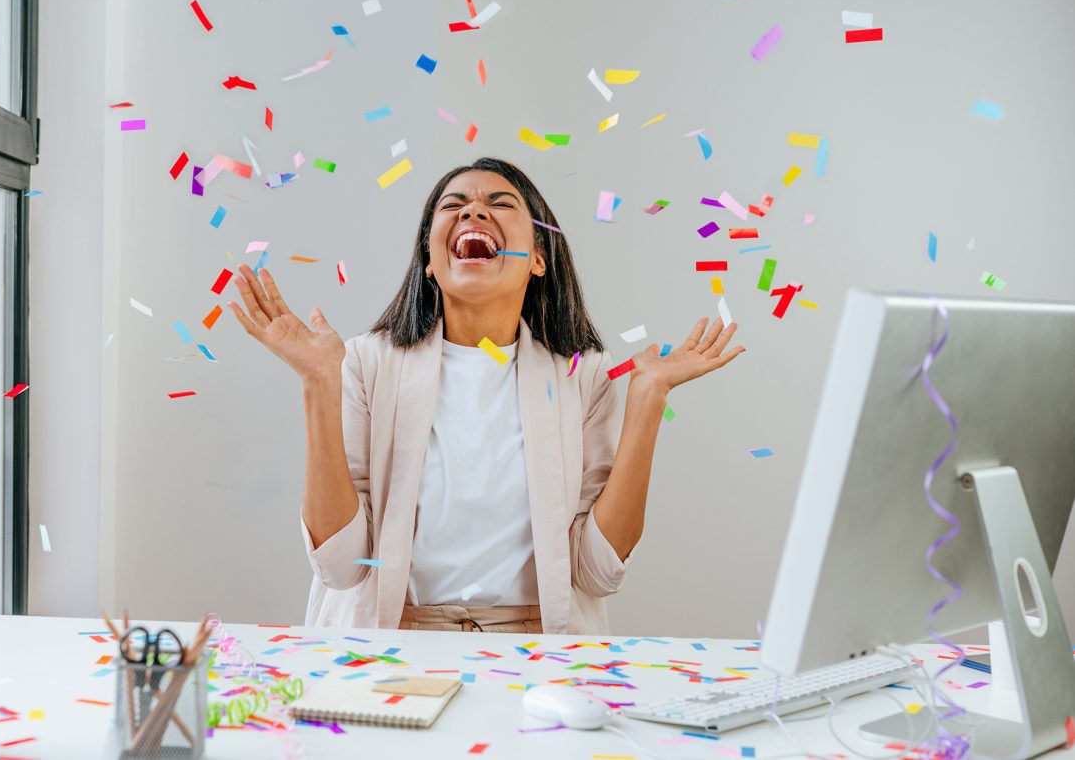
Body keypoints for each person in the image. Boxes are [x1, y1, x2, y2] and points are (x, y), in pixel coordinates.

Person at [230, 157, 744, 634]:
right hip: (393, 642)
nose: (473, 210)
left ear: (538, 259)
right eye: (453, 204)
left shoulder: (584, 374)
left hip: (535, 645)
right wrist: (319, 382)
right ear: (430, 261)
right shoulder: (366, 362)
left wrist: (648, 397)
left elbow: (597, 571)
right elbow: (339, 566)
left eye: (500, 203)